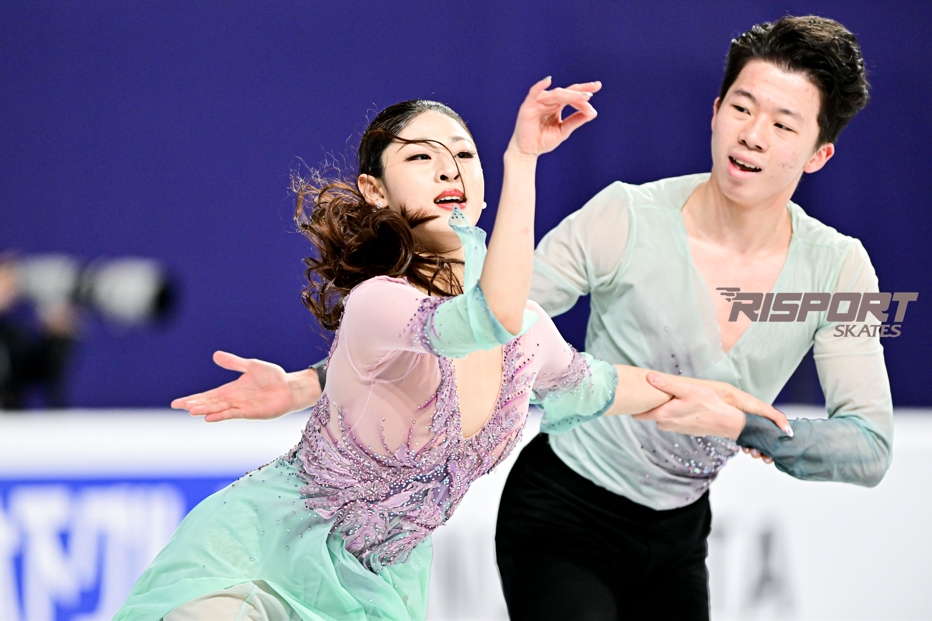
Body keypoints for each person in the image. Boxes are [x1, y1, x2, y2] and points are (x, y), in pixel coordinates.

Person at [117, 82, 788, 620]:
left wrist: (737, 411)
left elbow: (623, 388)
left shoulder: (530, 336)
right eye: (421, 156)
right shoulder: (379, 302)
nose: (449, 167)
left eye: (465, 155)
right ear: (375, 191)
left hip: (378, 591)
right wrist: (523, 159)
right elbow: (486, 317)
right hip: (259, 557)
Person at [494, 15, 893, 621]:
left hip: (678, 540)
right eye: (742, 108)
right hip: (561, 513)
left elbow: (869, 446)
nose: (752, 135)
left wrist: (743, 425)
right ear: (715, 111)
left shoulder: (839, 268)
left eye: (783, 124)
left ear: (819, 155)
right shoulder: (624, 215)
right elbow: (493, 321)